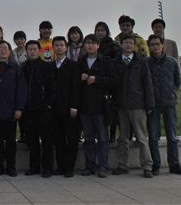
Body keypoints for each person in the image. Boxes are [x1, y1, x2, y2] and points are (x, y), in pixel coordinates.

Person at [112, 34, 155, 178]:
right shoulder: (116, 62)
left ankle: (147, 166)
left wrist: (149, 104)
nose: (128, 45)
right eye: (126, 42)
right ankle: (122, 165)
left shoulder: (141, 62)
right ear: (121, 45)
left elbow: (148, 84)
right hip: (122, 105)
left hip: (137, 104)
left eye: (131, 42)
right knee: (123, 137)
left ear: (134, 45)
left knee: (142, 137)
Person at [146, 34, 181, 176]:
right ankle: (155, 164)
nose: (155, 47)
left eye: (157, 44)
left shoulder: (172, 62)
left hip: (169, 103)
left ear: (162, 45)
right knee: (153, 136)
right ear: (148, 46)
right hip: (153, 104)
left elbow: (177, 80)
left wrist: (172, 93)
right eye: (152, 44)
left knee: (172, 136)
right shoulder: (146, 63)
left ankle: (174, 164)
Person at [0, 40, 26, 177]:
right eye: (0, 48)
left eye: (5, 48)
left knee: (10, 142)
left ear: (9, 51)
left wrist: (19, 108)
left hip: (11, 111)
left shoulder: (16, 68)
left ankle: (11, 167)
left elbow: (21, 90)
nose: (3, 50)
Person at [78, 34, 118, 178]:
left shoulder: (105, 61)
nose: (90, 46)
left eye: (93, 43)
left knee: (102, 137)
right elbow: (75, 84)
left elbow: (114, 81)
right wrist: (80, 78)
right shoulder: (81, 61)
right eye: (87, 43)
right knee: (88, 138)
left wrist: (97, 80)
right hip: (85, 106)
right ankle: (90, 165)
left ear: (98, 46)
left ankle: (103, 166)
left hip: (101, 106)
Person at [49, 36, 81, 177]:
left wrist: (74, 106)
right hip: (54, 109)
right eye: (56, 45)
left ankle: (69, 168)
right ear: (53, 48)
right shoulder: (50, 67)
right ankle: (61, 166)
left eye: (61, 45)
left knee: (72, 139)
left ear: (66, 47)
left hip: (69, 109)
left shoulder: (73, 66)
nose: (59, 48)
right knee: (58, 140)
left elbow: (76, 88)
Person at [23, 40, 55, 177]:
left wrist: (48, 104)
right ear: (26, 51)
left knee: (47, 139)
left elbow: (52, 88)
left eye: (34, 49)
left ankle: (47, 168)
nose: (32, 51)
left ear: (39, 50)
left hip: (43, 109)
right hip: (28, 109)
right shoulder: (23, 68)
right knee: (32, 140)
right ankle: (34, 166)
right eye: (29, 49)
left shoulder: (47, 67)